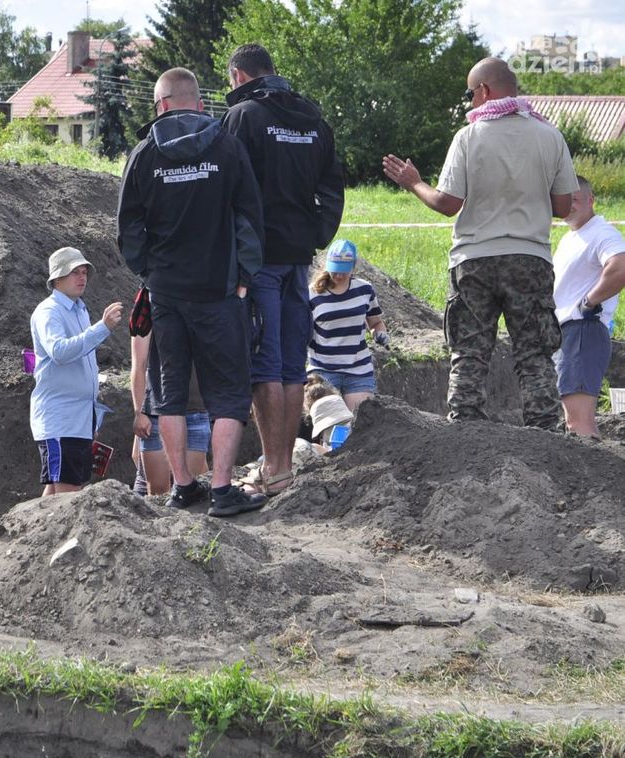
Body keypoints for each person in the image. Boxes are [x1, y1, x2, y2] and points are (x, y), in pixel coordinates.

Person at [383, 57, 578, 430]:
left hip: (474, 259)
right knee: (534, 352)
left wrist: (413, 183)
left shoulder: (468, 137)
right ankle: (545, 430)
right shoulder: (550, 135)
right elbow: (563, 206)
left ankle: (465, 428)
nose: (469, 101)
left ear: (484, 91)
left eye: (469, 93)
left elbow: (447, 203)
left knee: (469, 351)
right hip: (530, 257)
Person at [117, 66, 267, 518]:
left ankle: (184, 486)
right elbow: (250, 217)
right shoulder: (227, 147)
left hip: (166, 295)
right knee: (228, 394)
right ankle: (221, 490)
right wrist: (244, 275)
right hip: (219, 292)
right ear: (200, 105)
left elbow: (128, 231)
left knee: (171, 394)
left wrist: (153, 274)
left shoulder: (143, 155)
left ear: (160, 106)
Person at [222, 43, 345, 497]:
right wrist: (316, 233)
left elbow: (225, 186)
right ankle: (283, 466)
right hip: (299, 258)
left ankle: (274, 470)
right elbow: (333, 185)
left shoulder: (243, 117)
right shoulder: (313, 120)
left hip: (258, 262)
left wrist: (238, 250)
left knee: (263, 365)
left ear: (239, 76)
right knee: (293, 365)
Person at [29, 247, 124, 495]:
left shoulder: (79, 309)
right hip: (61, 421)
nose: (82, 277)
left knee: (55, 497)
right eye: (74, 272)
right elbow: (59, 352)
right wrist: (102, 328)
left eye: (84, 272)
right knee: (67, 497)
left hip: (77, 421)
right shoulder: (49, 311)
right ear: (57, 278)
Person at [551, 175, 625, 439]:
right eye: (562, 199)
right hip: (569, 332)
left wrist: (589, 301)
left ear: (590, 200)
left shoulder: (601, 233)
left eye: (574, 199)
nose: (567, 205)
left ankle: (596, 480)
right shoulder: (572, 237)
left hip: (583, 330)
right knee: (572, 421)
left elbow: (620, 267)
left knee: (579, 423)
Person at [307, 239, 389, 411]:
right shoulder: (312, 294)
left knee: (359, 423)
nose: (338, 276)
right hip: (323, 370)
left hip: (358, 369)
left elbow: (375, 322)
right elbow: (301, 333)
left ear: (353, 267)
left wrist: (379, 333)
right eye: (335, 270)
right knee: (333, 424)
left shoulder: (365, 290)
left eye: (344, 272)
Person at [131, 331, 210, 496]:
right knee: (158, 491)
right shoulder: (146, 309)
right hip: (156, 411)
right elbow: (139, 365)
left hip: (195, 409)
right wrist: (139, 412)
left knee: (191, 487)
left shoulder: (205, 307)